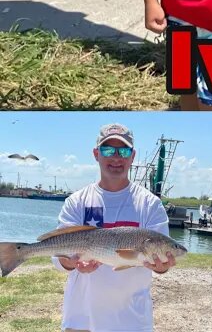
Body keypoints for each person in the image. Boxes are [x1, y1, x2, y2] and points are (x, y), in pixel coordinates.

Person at [52, 124, 178, 332]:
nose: (116, 157)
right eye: (108, 150)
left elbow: (161, 255)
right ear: (96, 154)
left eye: (124, 150)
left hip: (133, 321)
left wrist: (162, 266)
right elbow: (58, 257)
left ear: (133, 156)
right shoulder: (76, 201)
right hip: (82, 318)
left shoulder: (150, 204)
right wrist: (71, 262)